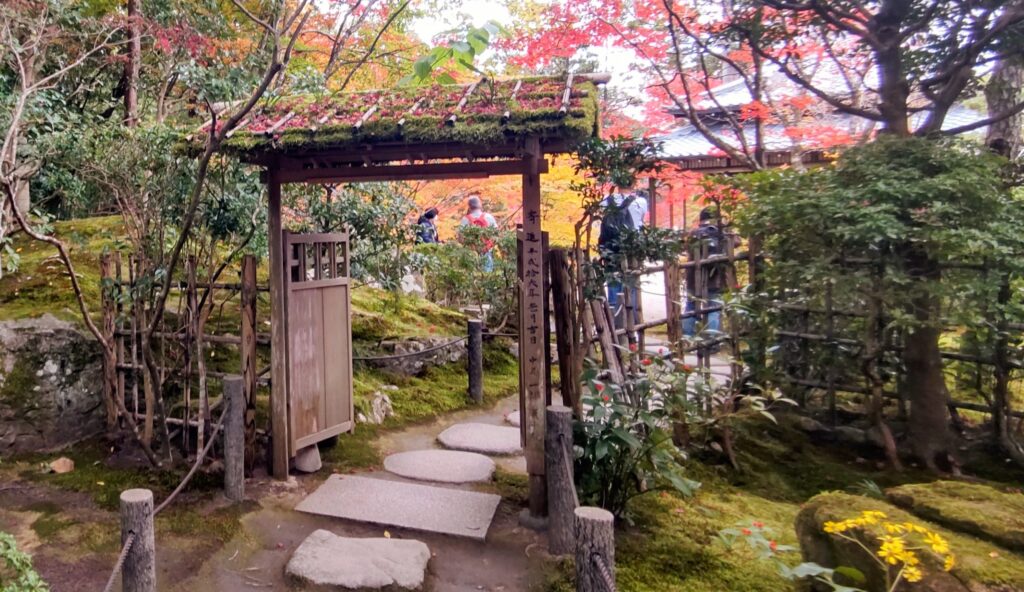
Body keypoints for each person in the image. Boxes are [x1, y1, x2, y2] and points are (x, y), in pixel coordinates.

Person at [598, 185, 648, 329]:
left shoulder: (606, 201)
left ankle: (615, 325)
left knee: (613, 285)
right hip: (631, 249)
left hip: (611, 249)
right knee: (630, 285)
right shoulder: (640, 202)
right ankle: (631, 324)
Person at [682, 206, 734, 338]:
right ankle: (711, 340)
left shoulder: (694, 233)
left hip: (694, 277)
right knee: (714, 308)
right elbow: (736, 242)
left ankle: (687, 337)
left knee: (691, 306)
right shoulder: (721, 232)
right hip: (715, 277)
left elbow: (686, 247)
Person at [458, 194, 498, 271]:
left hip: (471, 252)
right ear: (480, 205)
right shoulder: (488, 217)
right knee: (487, 275)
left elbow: (460, 238)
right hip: (486, 250)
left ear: (469, 206)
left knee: (472, 274)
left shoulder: (465, 219)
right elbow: (496, 235)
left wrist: (469, 247)